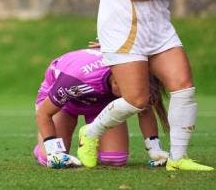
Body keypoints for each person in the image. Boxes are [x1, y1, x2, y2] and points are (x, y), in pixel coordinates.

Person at [76, 0, 213, 171]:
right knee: (137, 101)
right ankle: (90, 133)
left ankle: (177, 158)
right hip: (125, 34)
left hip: (160, 31)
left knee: (184, 87)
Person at [34, 45, 169, 168]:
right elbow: (43, 113)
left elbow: (144, 110)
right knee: (51, 159)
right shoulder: (75, 79)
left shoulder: (132, 75)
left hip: (102, 101)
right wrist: (53, 151)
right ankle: (41, 150)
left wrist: (155, 149)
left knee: (114, 159)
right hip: (66, 102)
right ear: (116, 82)